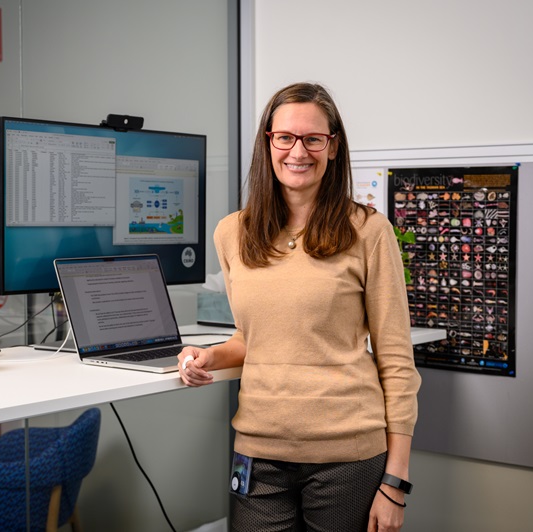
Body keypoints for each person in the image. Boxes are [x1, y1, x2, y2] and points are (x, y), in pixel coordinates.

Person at [178, 82, 421, 532]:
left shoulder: (369, 231)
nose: (298, 151)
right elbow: (252, 337)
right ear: (268, 143)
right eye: (285, 137)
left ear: (333, 146)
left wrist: (395, 482)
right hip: (258, 451)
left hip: (347, 456)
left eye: (314, 138)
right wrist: (209, 355)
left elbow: (396, 361)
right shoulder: (232, 233)